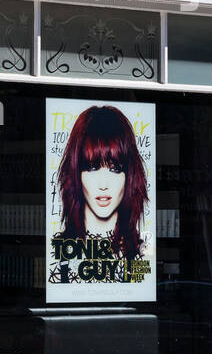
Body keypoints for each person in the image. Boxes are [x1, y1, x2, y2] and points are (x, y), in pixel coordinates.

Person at [55, 104, 148, 262]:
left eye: (115, 169)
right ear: (76, 173)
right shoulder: (60, 252)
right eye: (91, 168)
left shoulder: (143, 251)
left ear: (130, 176)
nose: (103, 184)